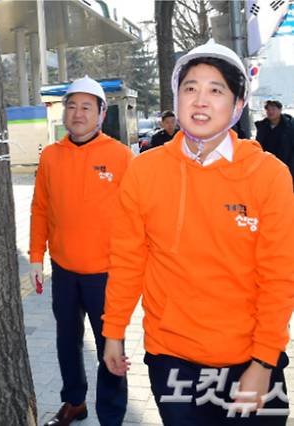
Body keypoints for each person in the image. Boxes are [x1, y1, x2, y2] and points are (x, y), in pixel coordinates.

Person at [102, 39, 294, 426]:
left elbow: (279, 275)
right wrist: (113, 330)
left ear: (238, 106)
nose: (200, 100)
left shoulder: (268, 175)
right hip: (172, 359)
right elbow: (128, 258)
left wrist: (263, 361)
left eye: (215, 90)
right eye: (190, 88)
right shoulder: (145, 170)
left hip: (250, 359)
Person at [29, 76, 132, 426]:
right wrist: (34, 257)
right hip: (65, 272)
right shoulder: (51, 157)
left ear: (102, 113)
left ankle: (112, 414)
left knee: (111, 347)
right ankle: (74, 401)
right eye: (71, 106)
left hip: (106, 274)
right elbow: (40, 208)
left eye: (86, 107)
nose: (77, 114)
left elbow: (138, 215)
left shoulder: (120, 156)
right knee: (66, 342)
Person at [255, 99, 294, 185]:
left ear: (280, 110)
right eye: (268, 109)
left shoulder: (290, 127)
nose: (270, 112)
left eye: (273, 109)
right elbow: (258, 146)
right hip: (266, 166)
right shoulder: (262, 126)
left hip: (285, 166)